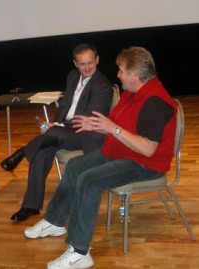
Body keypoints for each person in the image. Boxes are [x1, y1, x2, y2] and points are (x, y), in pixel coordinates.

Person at [24, 47, 177, 269]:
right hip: (121, 151)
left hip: (145, 164)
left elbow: (148, 149)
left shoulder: (155, 102)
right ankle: (55, 221)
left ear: (135, 74)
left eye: (121, 70)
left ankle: (79, 251)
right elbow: (119, 126)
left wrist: (112, 129)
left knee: (89, 180)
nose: (118, 74)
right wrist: (96, 125)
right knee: (76, 166)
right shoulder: (132, 92)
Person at [1, 44, 113, 222]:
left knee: (52, 135)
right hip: (65, 129)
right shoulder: (73, 76)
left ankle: (23, 151)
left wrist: (57, 129)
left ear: (97, 60)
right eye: (82, 64)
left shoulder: (102, 86)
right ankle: (30, 206)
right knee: (41, 152)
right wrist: (55, 123)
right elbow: (65, 105)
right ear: (75, 63)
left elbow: (88, 120)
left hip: (86, 133)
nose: (87, 67)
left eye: (91, 63)